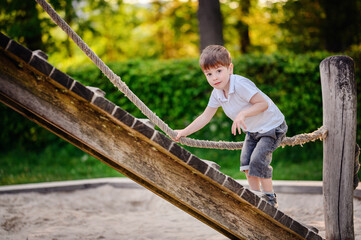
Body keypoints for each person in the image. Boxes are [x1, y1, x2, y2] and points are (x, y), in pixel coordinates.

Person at [174, 45, 287, 208]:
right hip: (253, 131)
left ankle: (269, 199)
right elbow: (205, 116)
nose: (214, 77)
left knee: (258, 161)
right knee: (246, 164)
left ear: (230, 68)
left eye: (219, 71)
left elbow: (263, 104)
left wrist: (243, 114)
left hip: (272, 127)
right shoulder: (217, 93)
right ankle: (256, 198)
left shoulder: (240, 84)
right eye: (209, 74)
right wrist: (183, 132)